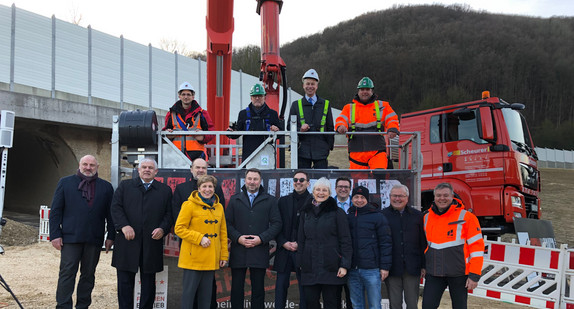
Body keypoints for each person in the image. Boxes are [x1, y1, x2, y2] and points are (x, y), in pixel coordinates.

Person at [49, 155, 115, 309]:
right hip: (70, 238)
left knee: (88, 275)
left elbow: (110, 214)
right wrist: (55, 235)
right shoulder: (65, 183)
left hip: (94, 238)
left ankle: (83, 306)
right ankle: (63, 305)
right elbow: (56, 211)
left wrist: (111, 236)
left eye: (92, 165)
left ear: (97, 167)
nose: (88, 167)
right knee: (67, 273)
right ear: (79, 165)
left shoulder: (106, 187)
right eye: (85, 164)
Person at [111, 158, 173, 309]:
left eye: (150, 168)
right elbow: (115, 208)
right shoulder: (125, 186)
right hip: (127, 242)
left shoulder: (165, 190)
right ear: (138, 170)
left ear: (156, 171)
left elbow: (169, 214)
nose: (147, 170)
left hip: (151, 243)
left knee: (148, 284)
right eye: (143, 167)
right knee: (124, 283)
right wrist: (124, 226)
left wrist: (163, 229)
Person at [225, 168, 282, 309]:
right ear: (245, 180)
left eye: (255, 179)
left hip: (259, 250)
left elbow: (277, 223)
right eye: (249, 178)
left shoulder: (270, 200)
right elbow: (226, 223)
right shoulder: (234, 199)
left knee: (258, 289)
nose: (252, 182)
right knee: (237, 288)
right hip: (239, 250)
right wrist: (238, 238)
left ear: (260, 181)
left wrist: (261, 239)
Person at [172, 158, 225, 309]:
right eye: (204, 186)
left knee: (206, 298)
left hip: (211, 257)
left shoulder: (219, 207)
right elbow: (179, 228)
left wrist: (223, 255)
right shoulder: (188, 204)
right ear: (198, 188)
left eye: (210, 187)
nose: (207, 189)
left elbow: (222, 232)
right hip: (193, 255)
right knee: (189, 297)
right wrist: (199, 238)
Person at [421, 183, 485, 309]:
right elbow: (424, 245)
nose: (442, 198)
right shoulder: (426, 217)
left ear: (452, 196)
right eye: (438, 195)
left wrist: (474, 275)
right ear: (434, 197)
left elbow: (477, 248)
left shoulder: (467, 217)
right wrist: (423, 266)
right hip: (434, 273)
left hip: (459, 273)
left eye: (446, 195)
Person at [297, 177, 352, 309]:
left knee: (332, 303)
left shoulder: (338, 213)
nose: (320, 193)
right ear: (313, 191)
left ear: (329, 192)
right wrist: (300, 262)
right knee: (310, 302)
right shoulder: (306, 213)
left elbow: (345, 240)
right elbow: (301, 240)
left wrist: (344, 265)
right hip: (309, 267)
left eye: (324, 190)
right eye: (318, 190)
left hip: (331, 267)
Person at [335, 77, 400, 169]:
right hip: (356, 152)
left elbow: (392, 118)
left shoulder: (383, 106)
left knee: (379, 176)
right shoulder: (348, 108)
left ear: (372, 91)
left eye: (367, 89)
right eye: (362, 89)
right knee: (358, 181)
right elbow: (341, 119)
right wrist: (341, 126)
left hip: (377, 150)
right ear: (358, 91)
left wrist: (392, 128)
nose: (364, 92)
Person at [346, 186, 392, 309]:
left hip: (371, 269)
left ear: (367, 199)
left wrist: (384, 267)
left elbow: (386, 243)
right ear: (352, 199)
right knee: (356, 305)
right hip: (353, 269)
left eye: (362, 197)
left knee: (375, 305)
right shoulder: (348, 217)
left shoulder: (378, 217)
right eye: (356, 197)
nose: (359, 200)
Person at [382, 184, 426, 309]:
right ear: (389, 197)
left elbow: (423, 242)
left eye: (401, 196)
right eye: (394, 196)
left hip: (412, 267)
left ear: (407, 198)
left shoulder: (418, 216)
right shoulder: (382, 215)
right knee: (395, 304)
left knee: (412, 303)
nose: (397, 199)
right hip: (392, 267)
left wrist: (424, 265)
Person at [274, 170, 311, 309]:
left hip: (304, 252)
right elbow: (276, 225)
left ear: (308, 183)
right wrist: (283, 242)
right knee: (280, 288)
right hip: (284, 250)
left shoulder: (313, 202)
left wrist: (300, 244)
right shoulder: (283, 201)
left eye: (302, 180)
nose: (298, 183)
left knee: (305, 289)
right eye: (295, 180)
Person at [288, 69, 334, 169]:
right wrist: (300, 129)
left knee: (321, 180)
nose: (310, 86)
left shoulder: (325, 104)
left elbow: (330, 126)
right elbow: (289, 127)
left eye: (312, 84)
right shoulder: (296, 105)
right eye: (307, 84)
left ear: (316, 86)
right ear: (303, 86)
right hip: (302, 150)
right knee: (302, 180)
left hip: (321, 150)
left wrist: (328, 146)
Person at [227, 83, 281, 163]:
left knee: (266, 174)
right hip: (249, 155)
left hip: (266, 153)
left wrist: (276, 130)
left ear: (264, 97)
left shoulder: (272, 114)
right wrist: (231, 132)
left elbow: (281, 133)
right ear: (251, 98)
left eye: (260, 96)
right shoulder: (243, 114)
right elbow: (238, 132)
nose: (257, 98)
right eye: (255, 96)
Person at [163, 81, 215, 161]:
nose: (186, 97)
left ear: (193, 96)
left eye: (188, 94)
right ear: (179, 96)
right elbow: (164, 132)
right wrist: (167, 133)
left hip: (197, 154)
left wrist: (203, 137)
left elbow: (211, 132)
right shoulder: (171, 114)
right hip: (176, 153)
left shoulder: (202, 113)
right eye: (183, 94)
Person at [334, 177, 353, 309]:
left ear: (350, 189)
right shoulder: (329, 206)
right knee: (334, 297)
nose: (343, 189)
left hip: (352, 256)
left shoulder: (356, 204)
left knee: (352, 296)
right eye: (340, 186)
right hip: (333, 257)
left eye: (346, 187)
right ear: (335, 188)